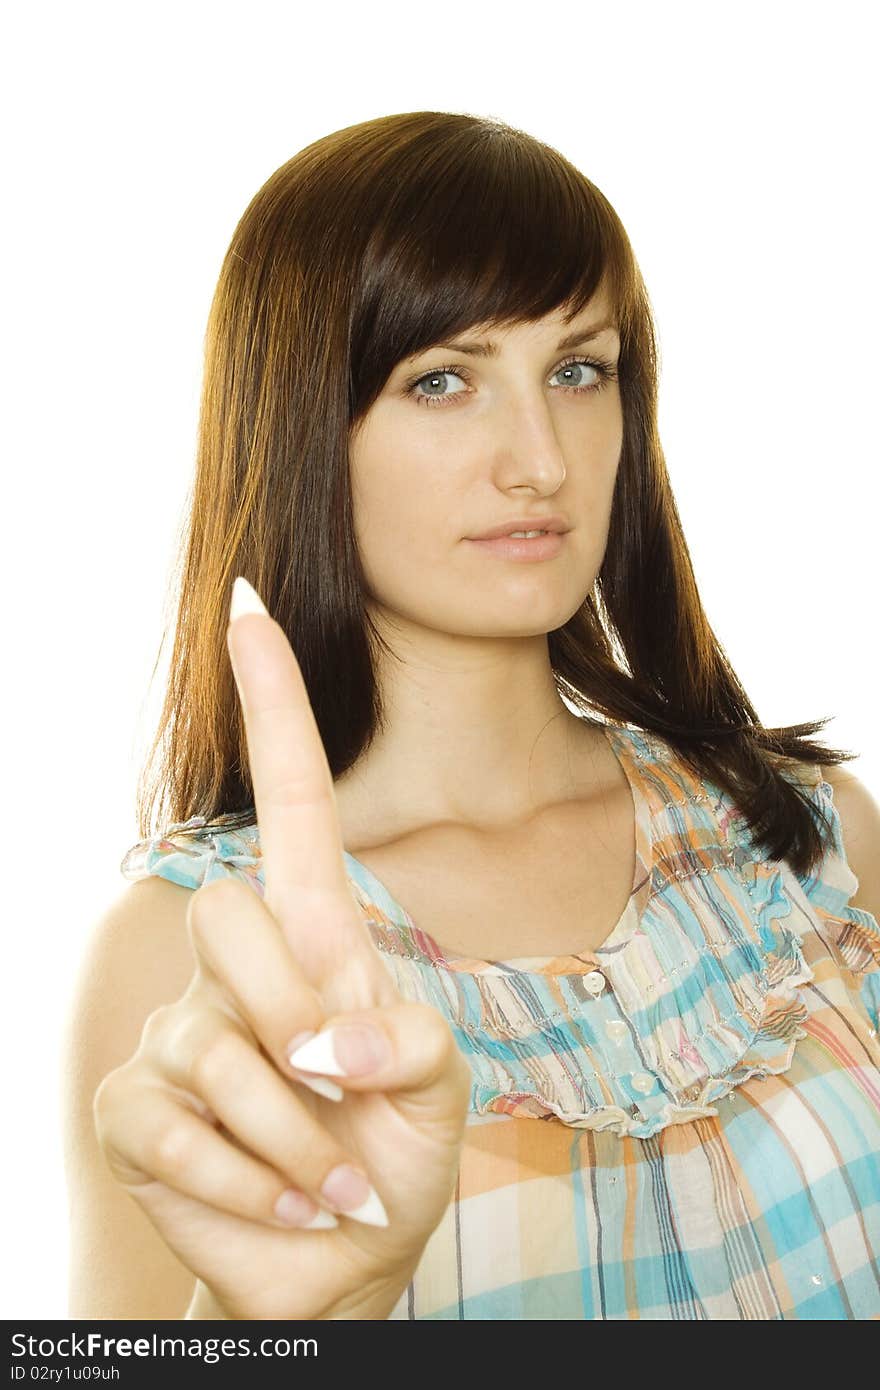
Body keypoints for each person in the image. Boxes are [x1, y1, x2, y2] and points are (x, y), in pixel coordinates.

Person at [63, 110, 880, 1321]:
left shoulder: (808, 836)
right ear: (300, 426)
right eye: (441, 379)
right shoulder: (198, 953)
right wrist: (287, 1334)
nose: (539, 459)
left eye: (577, 369)